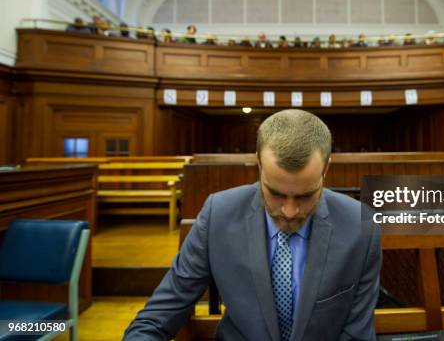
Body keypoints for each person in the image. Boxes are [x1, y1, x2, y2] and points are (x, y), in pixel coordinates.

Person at [123, 109, 381, 341]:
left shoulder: (360, 226)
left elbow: (357, 334)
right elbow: (154, 319)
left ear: (326, 168)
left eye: (305, 196)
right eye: (276, 193)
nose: (290, 212)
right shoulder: (218, 215)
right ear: (259, 163)